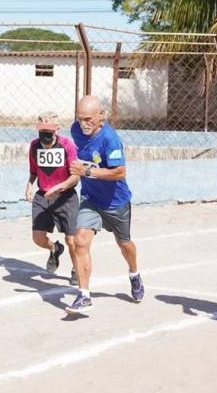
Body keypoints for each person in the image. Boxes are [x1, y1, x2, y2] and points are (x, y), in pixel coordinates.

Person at [65, 95, 144, 314]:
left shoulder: (110, 139)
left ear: (102, 116)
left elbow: (120, 173)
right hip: (91, 199)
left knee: (124, 244)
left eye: (89, 119)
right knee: (80, 241)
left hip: (116, 202)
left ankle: (134, 274)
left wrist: (88, 171)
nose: (84, 124)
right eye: (81, 119)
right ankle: (84, 295)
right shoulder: (75, 131)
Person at [25, 112, 80, 285]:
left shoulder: (67, 146)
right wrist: (29, 186)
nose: (45, 135)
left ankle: (76, 269)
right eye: (42, 131)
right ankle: (55, 248)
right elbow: (34, 171)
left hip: (65, 197)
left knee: (72, 240)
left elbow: (76, 177)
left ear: (57, 129)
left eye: (49, 131)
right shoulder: (34, 147)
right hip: (43, 197)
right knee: (38, 238)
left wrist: (59, 187)